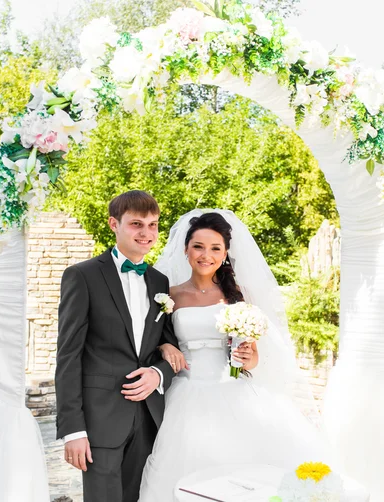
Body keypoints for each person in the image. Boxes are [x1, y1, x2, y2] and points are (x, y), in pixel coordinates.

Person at [139, 210, 332, 501]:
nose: (207, 255)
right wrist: (164, 347)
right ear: (185, 250)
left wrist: (247, 355)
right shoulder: (169, 295)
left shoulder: (237, 295)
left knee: (246, 477)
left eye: (216, 248)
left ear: (226, 253)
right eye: (199, 247)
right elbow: (150, 340)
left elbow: (253, 359)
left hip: (234, 388)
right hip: (187, 393)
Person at [55, 190, 185, 502]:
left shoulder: (159, 282)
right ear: (114, 224)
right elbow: (68, 356)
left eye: (153, 225)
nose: (147, 233)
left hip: (149, 419)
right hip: (100, 420)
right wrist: (73, 430)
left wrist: (158, 373)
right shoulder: (82, 276)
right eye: (136, 224)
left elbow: (168, 346)